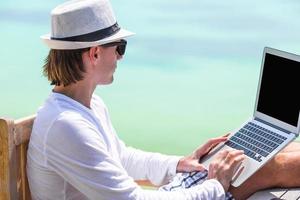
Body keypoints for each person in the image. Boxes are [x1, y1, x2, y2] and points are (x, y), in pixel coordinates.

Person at [27, 0, 300, 199]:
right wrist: (216, 185)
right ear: (95, 54)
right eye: (119, 48)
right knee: (269, 167)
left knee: (274, 152)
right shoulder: (66, 125)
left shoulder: (87, 107)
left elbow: (120, 157)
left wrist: (181, 164)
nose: (121, 56)